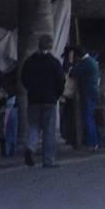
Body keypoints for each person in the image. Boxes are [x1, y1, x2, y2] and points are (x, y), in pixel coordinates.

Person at [20, 34, 66, 169]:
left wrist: (31, 90)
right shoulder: (54, 62)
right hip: (49, 100)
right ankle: (48, 160)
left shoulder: (29, 61)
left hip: (33, 99)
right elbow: (61, 81)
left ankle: (30, 147)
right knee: (49, 130)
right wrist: (57, 94)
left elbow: (24, 78)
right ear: (50, 46)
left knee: (34, 126)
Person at [69, 47, 101, 150]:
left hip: (88, 93)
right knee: (90, 117)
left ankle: (92, 143)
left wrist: (70, 63)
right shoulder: (91, 61)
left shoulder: (85, 62)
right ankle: (95, 142)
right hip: (93, 92)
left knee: (88, 118)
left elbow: (73, 73)